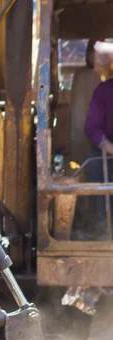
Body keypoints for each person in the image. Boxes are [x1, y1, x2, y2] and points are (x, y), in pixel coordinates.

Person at [84, 40, 113, 235]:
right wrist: (111, 149)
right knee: (94, 164)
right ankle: (102, 226)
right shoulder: (104, 92)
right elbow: (92, 128)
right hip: (110, 154)